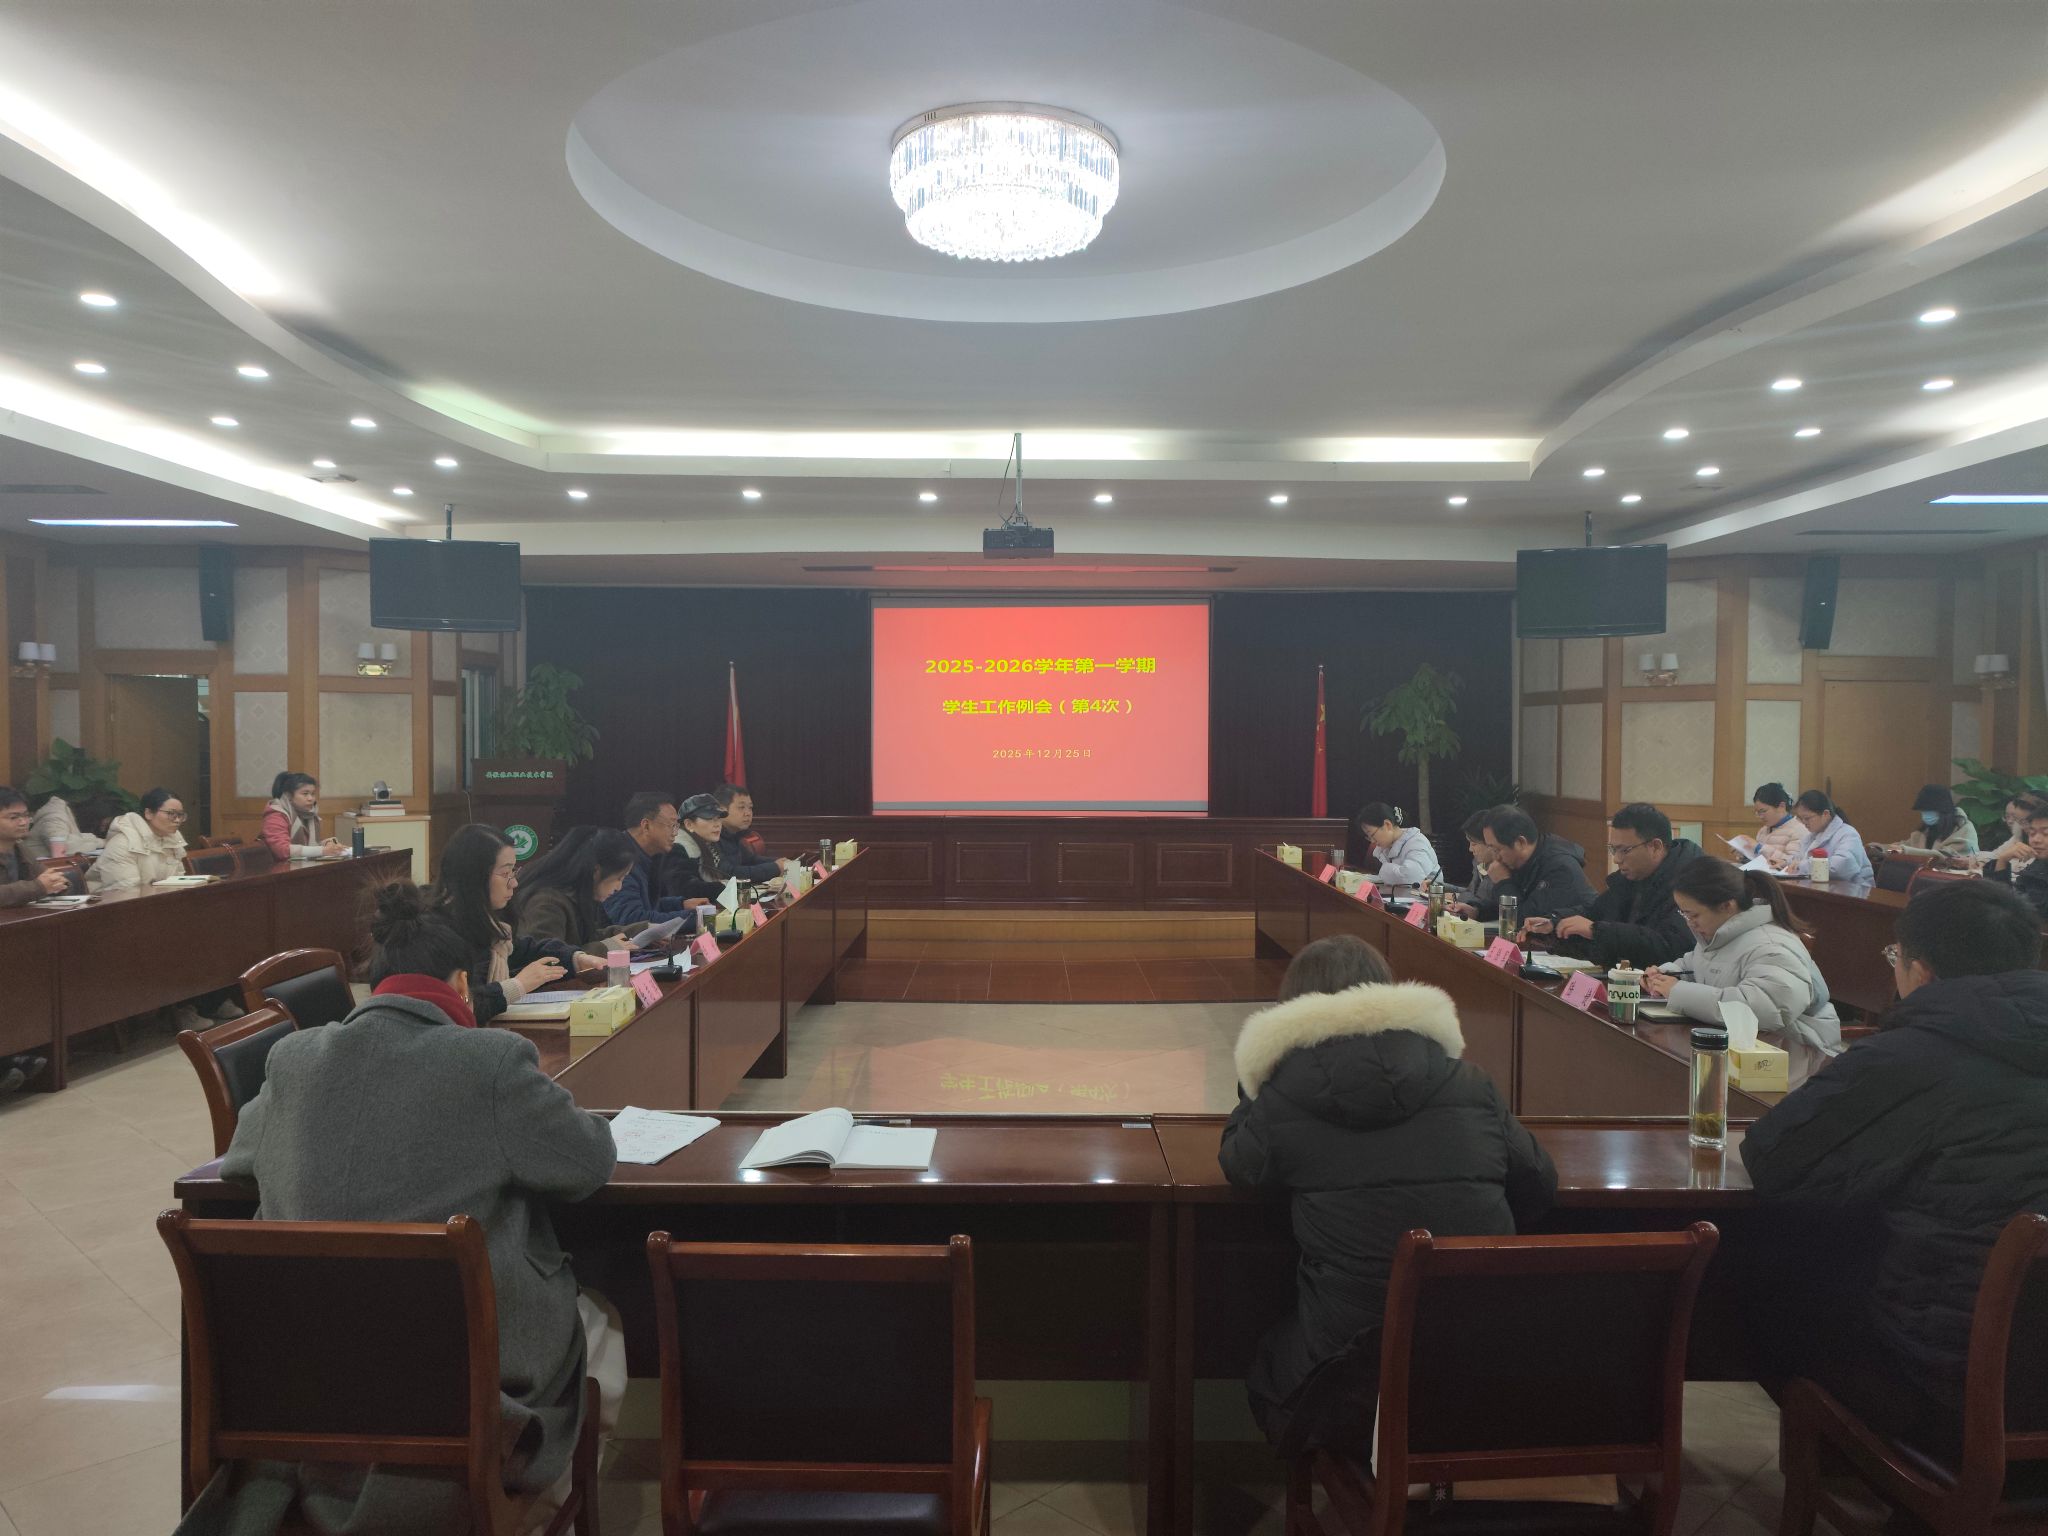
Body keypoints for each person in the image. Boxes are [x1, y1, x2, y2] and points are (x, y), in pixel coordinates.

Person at [188, 881, 621, 1536]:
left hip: (309, 1373)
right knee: (604, 1328)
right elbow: (588, 1163)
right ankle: (534, 1507)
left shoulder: (294, 1057)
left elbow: (241, 1164)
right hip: (466, 1385)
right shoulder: (491, 1059)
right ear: (461, 983)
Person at [1739, 880, 2048, 1461]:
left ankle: (1858, 1473)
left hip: (1950, 1386)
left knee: (1765, 1279)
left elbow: (1775, 1157)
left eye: (1893, 957)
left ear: (1920, 971)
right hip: (2029, 1375)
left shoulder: (1911, 1055)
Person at [1219, 933, 1556, 1461]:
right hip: (1487, 1367)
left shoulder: (1284, 1096)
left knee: (1264, 1350)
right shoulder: (1469, 1082)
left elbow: (1241, 1168)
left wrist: (1255, 1085)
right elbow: (1538, 1185)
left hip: (1353, 1387)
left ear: (1293, 1010)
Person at [1643, 858, 1841, 1052]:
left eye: (1694, 915)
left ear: (1727, 906)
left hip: (1798, 1051)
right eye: (1684, 914)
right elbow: (1694, 966)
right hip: (1750, 1046)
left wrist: (1678, 991)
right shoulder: (1719, 934)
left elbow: (1763, 1010)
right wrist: (1666, 975)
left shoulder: (1772, 947)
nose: (1689, 923)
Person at [433, 823, 602, 1028]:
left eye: (513, 871)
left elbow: (525, 949)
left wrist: (576, 959)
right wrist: (518, 985)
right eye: (506, 873)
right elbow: (458, 1004)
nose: (514, 882)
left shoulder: (488, 923)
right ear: (474, 876)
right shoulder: (439, 934)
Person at [1521, 802, 1701, 968]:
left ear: (1655, 846)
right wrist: (1554, 923)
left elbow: (1670, 947)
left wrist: (1596, 931)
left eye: (1624, 850)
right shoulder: (1631, 878)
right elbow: (1594, 912)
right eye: (1613, 850)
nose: (1616, 859)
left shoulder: (1692, 884)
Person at [0, 786, 67, 1093]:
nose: (23, 822)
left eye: (25, 815)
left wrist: (55, 882)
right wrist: (39, 887)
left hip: (17, 940)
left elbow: (45, 877)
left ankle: (14, 1056)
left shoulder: (19, 849)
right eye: (13, 817)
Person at [512, 826, 654, 954]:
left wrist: (646, 929)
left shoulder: (577, 895)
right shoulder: (546, 902)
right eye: (619, 878)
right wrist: (607, 947)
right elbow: (546, 958)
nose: (619, 887)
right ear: (596, 871)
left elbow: (587, 938)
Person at [1452, 805, 1596, 922]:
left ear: (1520, 842)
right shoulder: (1521, 859)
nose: (1496, 858)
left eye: (1497, 849)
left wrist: (1503, 882)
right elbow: (1513, 901)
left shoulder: (1559, 867)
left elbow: (1525, 919)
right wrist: (1478, 911)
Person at [601, 792, 697, 928]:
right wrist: (698, 918)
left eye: (676, 826)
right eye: (671, 825)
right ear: (646, 826)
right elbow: (633, 921)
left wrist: (681, 904)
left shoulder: (647, 854)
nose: (675, 833)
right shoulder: (618, 858)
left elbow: (647, 906)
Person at [87, 786, 189, 891]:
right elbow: (126, 892)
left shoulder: (174, 841)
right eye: (171, 813)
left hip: (157, 899)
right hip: (109, 900)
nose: (177, 820)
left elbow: (178, 883)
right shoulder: (123, 844)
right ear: (148, 813)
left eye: (180, 815)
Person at [1769, 790, 1873, 882]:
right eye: (1801, 818)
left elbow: (1843, 866)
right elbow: (1801, 858)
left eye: (1807, 818)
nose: (1804, 822)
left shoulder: (1848, 833)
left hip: (1855, 890)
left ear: (1825, 814)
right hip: (1826, 887)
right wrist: (1786, 863)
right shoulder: (1812, 836)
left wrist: (1801, 866)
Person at [660, 793, 733, 904]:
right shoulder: (678, 848)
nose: (717, 824)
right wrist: (720, 888)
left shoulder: (709, 843)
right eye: (709, 818)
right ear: (689, 824)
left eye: (718, 818)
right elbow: (684, 889)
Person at [1876, 783, 1978, 861]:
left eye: (1929, 810)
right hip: (1925, 878)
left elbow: (1944, 856)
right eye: (1923, 811)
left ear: (1943, 810)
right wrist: (1882, 849)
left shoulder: (1964, 829)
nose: (1925, 815)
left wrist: (1902, 850)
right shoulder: (1926, 830)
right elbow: (1906, 846)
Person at [1353, 801, 1439, 887]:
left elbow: (1411, 878)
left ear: (1387, 825)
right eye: (1368, 837)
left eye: (1372, 835)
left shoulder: (1417, 843)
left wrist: (1385, 869)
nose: (1372, 841)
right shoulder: (1386, 847)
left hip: (1428, 895)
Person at [259, 771, 342, 860]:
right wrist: (322, 850)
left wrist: (327, 845)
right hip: (276, 866)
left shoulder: (308, 814)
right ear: (289, 796)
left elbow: (307, 846)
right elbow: (282, 850)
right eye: (305, 794)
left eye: (313, 794)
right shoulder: (275, 815)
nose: (310, 798)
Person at [1987, 802, 2048, 920]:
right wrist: (2002, 861)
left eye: (2046, 833)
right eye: (2032, 833)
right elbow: (2005, 905)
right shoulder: (2038, 867)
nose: (2036, 840)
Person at [715, 784, 784, 883]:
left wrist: (780, 862)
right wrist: (775, 867)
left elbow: (751, 860)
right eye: (741, 807)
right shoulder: (712, 837)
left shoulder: (734, 835)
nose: (748, 813)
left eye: (750, 807)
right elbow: (729, 873)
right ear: (721, 809)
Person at [21, 793, 104, 862]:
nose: (23, 822)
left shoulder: (53, 817)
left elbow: (65, 841)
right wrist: (98, 843)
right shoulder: (52, 818)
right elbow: (62, 852)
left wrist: (97, 841)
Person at [1983, 792, 2044, 879]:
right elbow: (1996, 855)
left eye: (2025, 822)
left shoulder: (2040, 844)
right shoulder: (2019, 834)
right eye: (2018, 821)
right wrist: (2003, 859)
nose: (2022, 827)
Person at [1459, 810, 1505, 909]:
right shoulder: (1479, 862)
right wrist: (1443, 887)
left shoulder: (1503, 869)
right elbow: (1471, 892)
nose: (1470, 849)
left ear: (1490, 842)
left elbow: (1485, 901)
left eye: (1474, 844)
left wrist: (1459, 896)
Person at [1748, 783, 1804, 864]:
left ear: (1781, 806)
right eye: (1757, 812)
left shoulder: (1798, 830)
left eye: (1763, 811)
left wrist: (1760, 848)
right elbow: (1758, 860)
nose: (1760, 816)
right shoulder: (1763, 830)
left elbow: (1793, 863)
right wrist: (1746, 856)